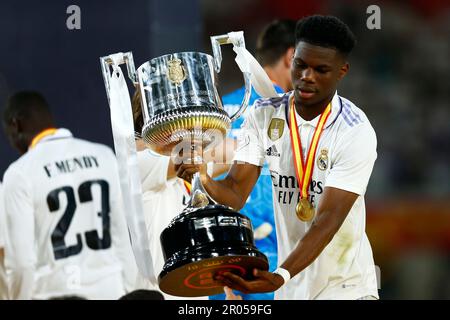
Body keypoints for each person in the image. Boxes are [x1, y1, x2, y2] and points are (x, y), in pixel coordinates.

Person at [176, 15, 379, 300]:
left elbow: (328, 220)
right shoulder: (262, 114)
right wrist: (205, 177)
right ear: (292, 59)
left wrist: (279, 275)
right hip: (291, 287)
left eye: (321, 69)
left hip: (345, 286)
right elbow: (235, 194)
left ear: (341, 71)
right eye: (301, 65)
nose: (307, 76)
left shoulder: (354, 130)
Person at [2, 91, 137, 300]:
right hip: (111, 290)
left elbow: (22, 263)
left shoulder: (19, 173)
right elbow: (123, 236)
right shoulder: (103, 156)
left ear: (15, 125)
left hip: (56, 291)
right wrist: (129, 289)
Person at [212, 19, 297, 301]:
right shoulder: (298, 114)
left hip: (222, 267)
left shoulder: (218, 109)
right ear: (291, 56)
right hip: (277, 268)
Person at [131, 90, 234, 300]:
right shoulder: (138, 158)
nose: (196, 126)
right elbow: (231, 150)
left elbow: (237, 153)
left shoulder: (185, 161)